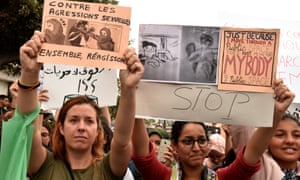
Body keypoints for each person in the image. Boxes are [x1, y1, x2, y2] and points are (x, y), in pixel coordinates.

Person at [0, 30, 144, 179]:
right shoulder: (43, 163)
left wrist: (128, 89)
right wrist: (29, 73)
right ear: (61, 127)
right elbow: (26, 126)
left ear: (98, 130)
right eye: (73, 120)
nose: (81, 127)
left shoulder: (108, 168)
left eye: (89, 121)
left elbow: (122, 141)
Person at [132, 79, 295, 180]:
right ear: (174, 145)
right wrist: (132, 93)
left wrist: (276, 114)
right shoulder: (162, 176)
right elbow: (141, 152)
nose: (196, 148)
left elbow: (253, 151)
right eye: (188, 141)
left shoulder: (222, 177)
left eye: (201, 140)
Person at [250, 111, 300, 180]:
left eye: (297, 135)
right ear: (266, 141)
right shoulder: (257, 169)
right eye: (280, 135)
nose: (290, 141)